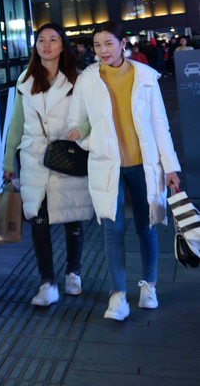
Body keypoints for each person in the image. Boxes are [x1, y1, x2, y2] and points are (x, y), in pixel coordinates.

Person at [65, 20, 181, 321]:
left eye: (109, 44)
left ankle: (149, 285)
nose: (102, 51)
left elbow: (160, 125)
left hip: (144, 164)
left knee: (146, 226)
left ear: (122, 45)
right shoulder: (87, 80)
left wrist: (170, 167)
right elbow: (78, 121)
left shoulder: (144, 77)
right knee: (112, 230)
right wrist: (88, 137)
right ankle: (117, 296)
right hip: (107, 165)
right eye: (97, 45)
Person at [3, 24, 92, 307]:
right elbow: (16, 123)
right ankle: (47, 282)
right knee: (38, 221)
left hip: (67, 154)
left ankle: (73, 272)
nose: (46, 45)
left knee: (71, 217)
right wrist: (8, 160)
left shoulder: (77, 80)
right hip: (33, 158)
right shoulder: (25, 80)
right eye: (41, 40)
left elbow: (92, 116)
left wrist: (82, 128)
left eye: (53, 40)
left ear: (63, 46)